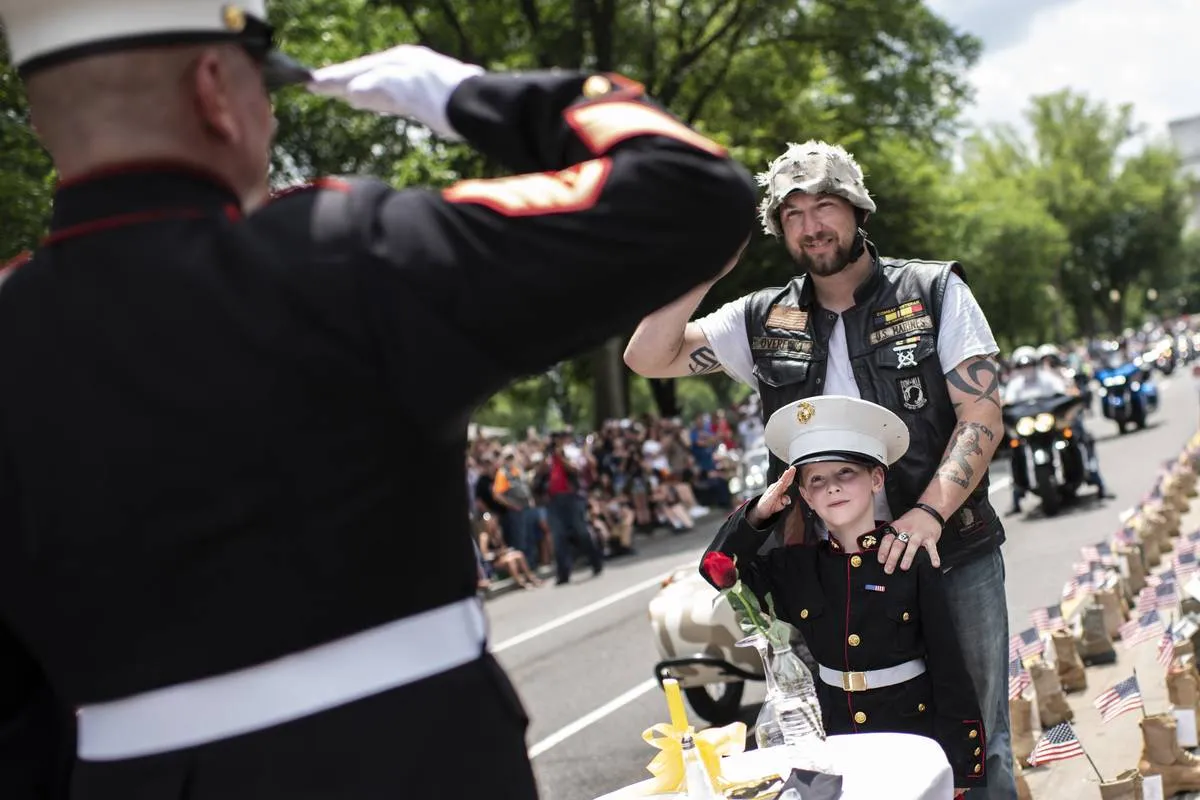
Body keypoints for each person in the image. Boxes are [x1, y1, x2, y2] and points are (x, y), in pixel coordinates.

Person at [0, 2, 757, 797]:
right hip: (414, 760)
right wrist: (463, 94)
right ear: (215, 89)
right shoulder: (341, 252)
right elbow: (692, 192)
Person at [624, 140, 1014, 798]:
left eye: (826, 205)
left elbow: (982, 415)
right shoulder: (760, 318)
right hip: (828, 567)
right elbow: (647, 355)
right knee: (846, 753)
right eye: (793, 213)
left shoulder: (933, 290)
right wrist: (706, 267)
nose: (811, 224)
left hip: (950, 550)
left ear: (858, 210)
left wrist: (926, 514)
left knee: (979, 740)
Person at [702, 396, 986, 793]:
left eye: (846, 472)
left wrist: (958, 764)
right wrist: (759, 514)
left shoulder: (909, 557)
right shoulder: (797, 568)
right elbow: (717, 568)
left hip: (910, 736)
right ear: (805, 496)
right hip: (833, 738)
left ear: (876, 479)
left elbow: (947, 664)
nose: (831, 486)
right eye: (815, 480)